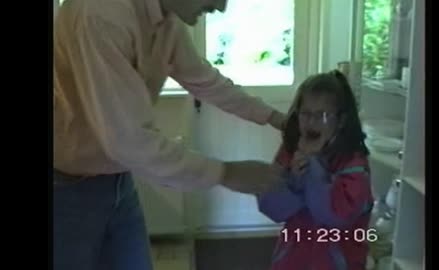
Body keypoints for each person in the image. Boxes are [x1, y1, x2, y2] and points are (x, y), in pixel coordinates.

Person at [53, 0, 286, 269]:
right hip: (65, 190)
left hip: (117, 180)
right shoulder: (100, 14)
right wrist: (227, 173)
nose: (221, 7)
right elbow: (128, 141)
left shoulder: (166, 19)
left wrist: (275, 117)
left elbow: (203, 79)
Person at [257, 70, 374, 270]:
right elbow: (271, 209)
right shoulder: (291, 151)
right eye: (306, 114)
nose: (312, 122)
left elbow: (335, 217)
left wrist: (313, 169)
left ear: (341, 120)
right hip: (291, 261)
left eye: (323, 115)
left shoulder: (354, 164)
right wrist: (293, 180)